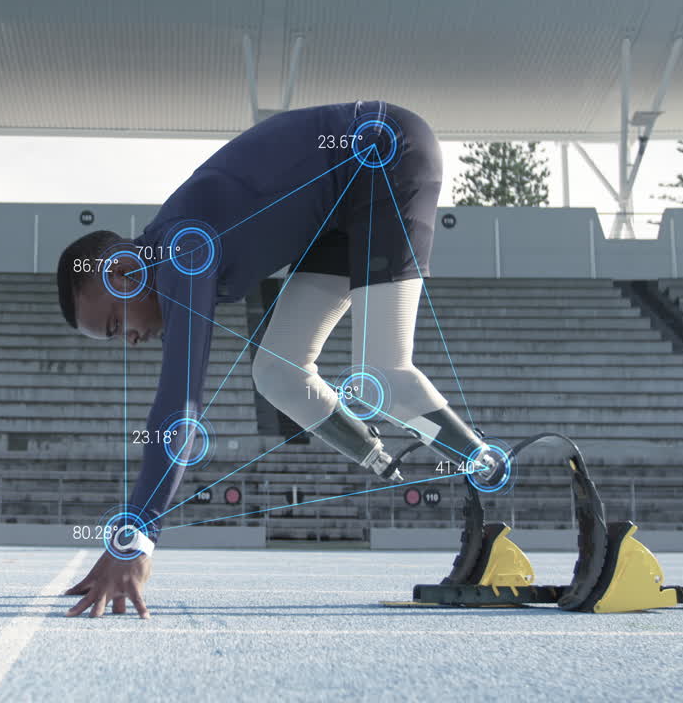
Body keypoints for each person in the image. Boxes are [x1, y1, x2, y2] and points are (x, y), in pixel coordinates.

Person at [55, 101, 506, 619]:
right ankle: (385, 461)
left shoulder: (183, 252)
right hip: (342, 202)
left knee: (383, 373)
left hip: (385, 155)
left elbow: (179, 410)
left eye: (116, 325)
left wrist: (136, 541)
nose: (128, 340)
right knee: (276, 372)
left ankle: (490, 468)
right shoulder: (171, 251)